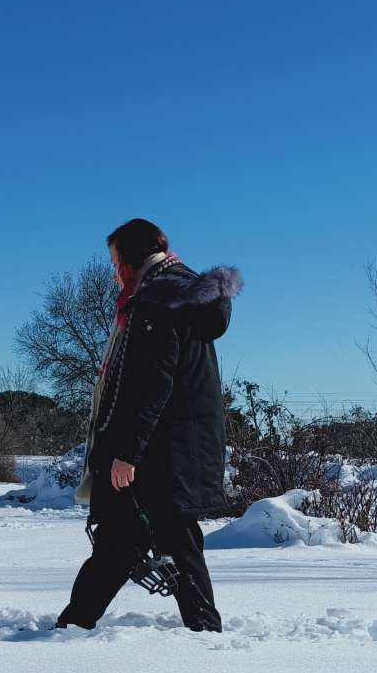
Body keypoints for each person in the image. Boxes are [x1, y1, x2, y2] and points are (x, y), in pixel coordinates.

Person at [56, 217, 242, 633]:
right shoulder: (173, 295)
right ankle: (73, 625)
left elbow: (153, 383)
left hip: (163, 455)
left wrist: (127, 453)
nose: (112, 270)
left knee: (172, 542)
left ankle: (206, 636)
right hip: (173, 451)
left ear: (130, 258)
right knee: (122, 544)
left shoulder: (159, 300)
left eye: (114, 260)